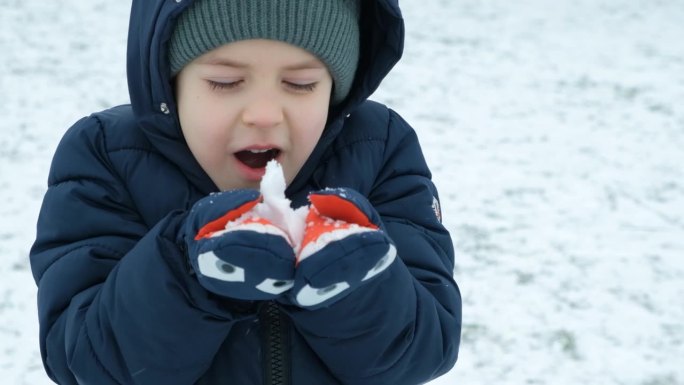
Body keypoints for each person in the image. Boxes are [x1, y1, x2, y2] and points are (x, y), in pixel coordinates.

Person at [29, 0, 462, 384]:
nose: (263, 114)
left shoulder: (379, 148)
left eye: (300, 84)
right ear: (168, 82)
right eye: (224, 81)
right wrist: (186, 273)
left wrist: (358, 282)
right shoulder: (108, 155)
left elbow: (425, 352)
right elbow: (84, 361)